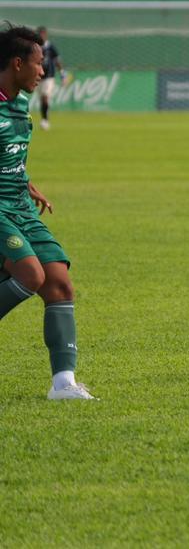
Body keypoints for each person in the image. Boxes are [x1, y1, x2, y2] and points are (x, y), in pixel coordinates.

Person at [0, 23, 94, 399]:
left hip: (20, 205)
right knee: (30, 274)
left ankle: (63, 384)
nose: (44, 71)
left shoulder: (19, 104)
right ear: (17, 63)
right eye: (39, 64)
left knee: (59, 283)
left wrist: (27, 183)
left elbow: (10, 157)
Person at [36, 26, 68, 131]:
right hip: (38, 77)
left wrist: (62, 74)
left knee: (45, 97)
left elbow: (57, 61)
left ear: (46, 35)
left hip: (49, 77)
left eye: (43, 34)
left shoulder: (50, 47)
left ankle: (45, 121)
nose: (42, 36)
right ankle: (44, 117)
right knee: (42, 99)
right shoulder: (35, 46)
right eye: (40, 34)